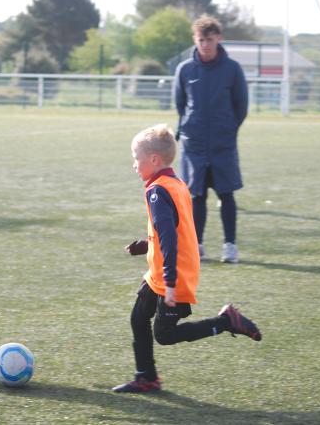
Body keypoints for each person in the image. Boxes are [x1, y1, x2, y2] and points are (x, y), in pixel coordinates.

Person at [112, 124, 261, 394]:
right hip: (161, 273)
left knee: (165, 335)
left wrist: (170, 282)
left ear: (154, 160)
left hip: (172, 276)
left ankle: (226, 321)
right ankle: (146, 377)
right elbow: (176, 230)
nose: (134, 165)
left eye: (137, 158)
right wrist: (146, 246)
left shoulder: (157, 191)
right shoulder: (177, 184)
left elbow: (170, 237)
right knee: (138, 317)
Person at [174, 16, 248, 263]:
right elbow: (181, 104)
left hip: (222, 145)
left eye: (210, 39)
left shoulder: (233, 69)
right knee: (196, 196)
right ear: (195, 40)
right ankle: (197, 245)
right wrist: (191, 129)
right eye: (201, 39)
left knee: (226, 194)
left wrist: (226, 130)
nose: (205, 44)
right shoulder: (185, 69)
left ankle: (230, 246)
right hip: (194, 145)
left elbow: (241, 106)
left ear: (219, 39)